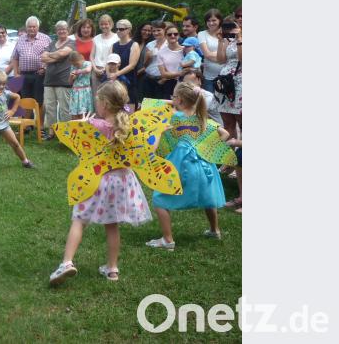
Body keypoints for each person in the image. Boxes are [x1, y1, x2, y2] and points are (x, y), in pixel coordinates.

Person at [48, 82, 152, 285]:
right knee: (112, 225)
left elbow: (77, 146)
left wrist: (85, 125)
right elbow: (145, 149)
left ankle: (67, 263)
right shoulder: (129, 126)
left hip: (96, 179)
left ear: (104, 104)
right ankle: (112, 269)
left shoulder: (94, 125)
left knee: (79, 219)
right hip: (122, 181)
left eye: (97, 101)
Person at [146, 82, 233, 250]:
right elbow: (226, 134)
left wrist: (171, 103)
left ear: (178, 99)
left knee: (159, 199)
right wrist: (207, 146)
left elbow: (150, 105)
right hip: (203, 163)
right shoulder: (202, 119)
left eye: (173, 97)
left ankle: (167, 240)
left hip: (180, 163)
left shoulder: (174, 117)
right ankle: (215, 230)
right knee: (208, 197)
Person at [10, 16, 50, 110]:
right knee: (25, 100)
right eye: (29, 27)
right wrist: (16, 73)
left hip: (39, 74)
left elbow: (51, 56)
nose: (31, 29)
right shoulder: (20, 39)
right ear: (26, 27)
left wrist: (45, 68)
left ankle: (38, 123)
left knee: (39, 100)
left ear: (38, 27)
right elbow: (15, 57)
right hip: (24, 75)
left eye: (34, 27)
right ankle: (27, 123)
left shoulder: (46, 39)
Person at [215, 17, 242, 141]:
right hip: (226, 83)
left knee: (242, 122)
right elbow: (220, 60)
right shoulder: (229, 40)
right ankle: (230, 158)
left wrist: (240, 39)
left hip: (241, 84)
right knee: (228, 123)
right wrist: (221, 41)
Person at [111, 19, 140, 110]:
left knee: (129, 112)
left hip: (129, 82)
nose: (118, 31)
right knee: (116, 110)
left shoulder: (134, 45)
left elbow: (132, 65)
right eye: (117, 29)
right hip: (116, 82)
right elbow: (110, 62)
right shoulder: (114, 45)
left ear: (128, 30)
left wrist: (117, 74)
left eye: (121, 29)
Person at [139, 21, 168, 100]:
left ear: (164, 30)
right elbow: (145, 65)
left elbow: (173, 64)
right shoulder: (150, 44)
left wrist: (164, 79)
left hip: (162, 79)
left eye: (158, 30)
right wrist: (149, 57)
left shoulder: (169, 44)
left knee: (160, 106)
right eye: (154, 31)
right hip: (149, 78)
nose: (156, 33)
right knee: (147, 104)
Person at [197, 9, 224, 92]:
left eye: (214, 20)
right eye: (208, 21)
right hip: (209, 77)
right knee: (209, 102)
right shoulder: (202, 34)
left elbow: (230, 53)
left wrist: (214, 55)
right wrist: (223, 58)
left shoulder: (226, 33)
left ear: (220, 20)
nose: (211, 23)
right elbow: (207, 54)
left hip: (225, 76)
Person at [156, 25, 184, 99]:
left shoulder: (185, 50)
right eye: (169, 34)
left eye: (175, 34)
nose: (173, 36)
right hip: (169, 85)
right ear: (165, 36)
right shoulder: (161, 52)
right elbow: (163, 74)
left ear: (179, 35)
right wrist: (180, 73)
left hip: (185, 84)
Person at [68, 51, 93, 120]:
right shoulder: (73, 66)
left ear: (81, 58)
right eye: (74, 64)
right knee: (74, 113)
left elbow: (88, 70)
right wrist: (71, 76)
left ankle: (84, 128)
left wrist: (77, 71)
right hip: (75, 92)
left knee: (84, 113)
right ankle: (75, 128)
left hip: (84, 91)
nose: (76, 65)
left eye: (77, 63)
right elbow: (70, 83)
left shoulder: (88, 63)